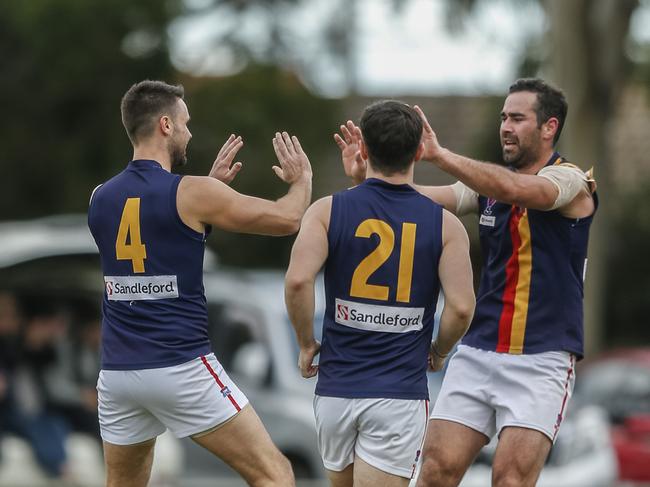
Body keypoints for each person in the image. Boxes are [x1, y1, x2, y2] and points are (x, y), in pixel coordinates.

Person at [336, 79, 597, 487]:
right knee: (435, 472)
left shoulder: (572, 181)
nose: (505, 127)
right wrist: (369, 182)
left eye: (517, 118)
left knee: (509, 479)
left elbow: (520, 190)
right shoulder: (485, 189)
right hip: (478, 351)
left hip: (542, 359)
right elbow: (415, 199)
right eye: (502, 118)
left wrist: (439, 155)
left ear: (549, 127)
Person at [88, 80, 312, 487]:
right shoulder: (192, 193)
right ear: (166, 125)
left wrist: (209, 195)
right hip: (179, 366)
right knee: (275, 475)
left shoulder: (100, 197)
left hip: (118, 374)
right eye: (186, 123)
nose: (190, 132)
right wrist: (302, 181)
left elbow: (155, 250)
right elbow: (288, 219)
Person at [285, 100, 475, 487]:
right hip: (398, 395)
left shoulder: (325, 211)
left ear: (364, 151)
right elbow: (461, 307)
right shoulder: (446, 225)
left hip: (336, 389)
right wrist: (438, 351)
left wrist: (306, 343)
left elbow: (298, 281)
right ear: (420, 152)